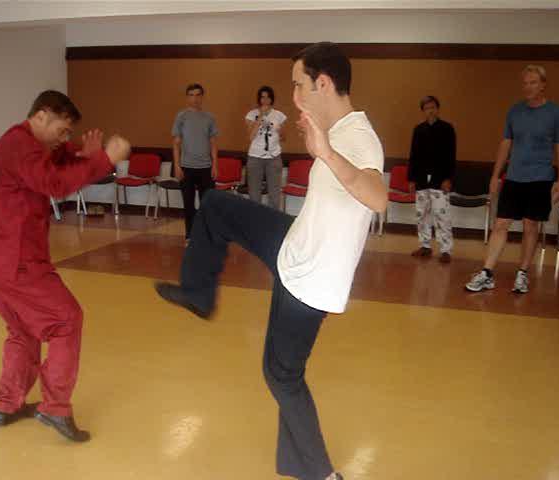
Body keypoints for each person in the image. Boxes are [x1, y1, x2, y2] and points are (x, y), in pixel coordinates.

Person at [155, 42, 387, 480]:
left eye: (299, 85)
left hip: (312, 278)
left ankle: (321, 473)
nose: (295, 96)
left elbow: (376, 196)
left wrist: (328, 154)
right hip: (294, 244)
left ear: (323, 83)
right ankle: (198, 293)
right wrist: (322, 146)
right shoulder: (335, 127)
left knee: (282, 375)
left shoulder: (358, 138)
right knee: (219, 206)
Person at [0, 90, 131, 442]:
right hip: (15, 261)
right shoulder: (19, 144)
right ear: (43, 115)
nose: (66, 138)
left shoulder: (29, 147)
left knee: (24, 331)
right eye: (63, 130)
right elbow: (56, 183)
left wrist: (83, 156)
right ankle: (55, 407)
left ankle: (7, 404)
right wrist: (106, 159)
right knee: (66, 319)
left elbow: (56, 167)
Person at [466, 65, 559, 293]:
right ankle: (487, 273)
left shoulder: (556, 113)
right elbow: (506, 144)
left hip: (541, 177)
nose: (528, 87)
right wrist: (495, 174)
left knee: (531, 226)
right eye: (525, 83)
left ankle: (523, 273)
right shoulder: (515, 111)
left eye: (533, 83)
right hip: (514, 176)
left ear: (543, 85)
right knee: (501, 224)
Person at [408, 95, 456, 263]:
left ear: (438, 108)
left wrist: (448, 178)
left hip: (440, 178)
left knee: (441, 214)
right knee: (422, 214)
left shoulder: (447, 129)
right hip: (421, 178)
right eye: (427, 108)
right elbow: (413, 155)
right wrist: (412, 179)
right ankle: (425, 245)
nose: (430, 110)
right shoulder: (418, 130)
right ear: (423, 111)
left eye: (433, 107)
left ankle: (446, 250)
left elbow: (451, 156)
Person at [172, 83, 219, 242]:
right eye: (191, 95)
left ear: (202, 97)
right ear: (187, 97)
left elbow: (213, 143)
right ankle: (190, 236)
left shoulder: (209, 118)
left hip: (206, 167)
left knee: (208, 205)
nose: (195, 98)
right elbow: (176, 143)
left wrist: (215, 165)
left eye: (198, 95)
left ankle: (206, 236)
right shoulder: (181, 117)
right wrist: (177, 166)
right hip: (186, 168)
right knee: (188, 205)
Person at [245, 85, 287, 209]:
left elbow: (284, 138)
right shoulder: (251, 115)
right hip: (255, 157)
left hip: (273, 157)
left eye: (268, 97)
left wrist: (280, 130)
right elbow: (250, 137)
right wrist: (260, 117)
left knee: (274, 195)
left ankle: (272, 222)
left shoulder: (279, 115)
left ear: (271, 99)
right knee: (254, 194)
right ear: (259, 99)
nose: (265, 100)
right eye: (262, 97)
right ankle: (255, 223)